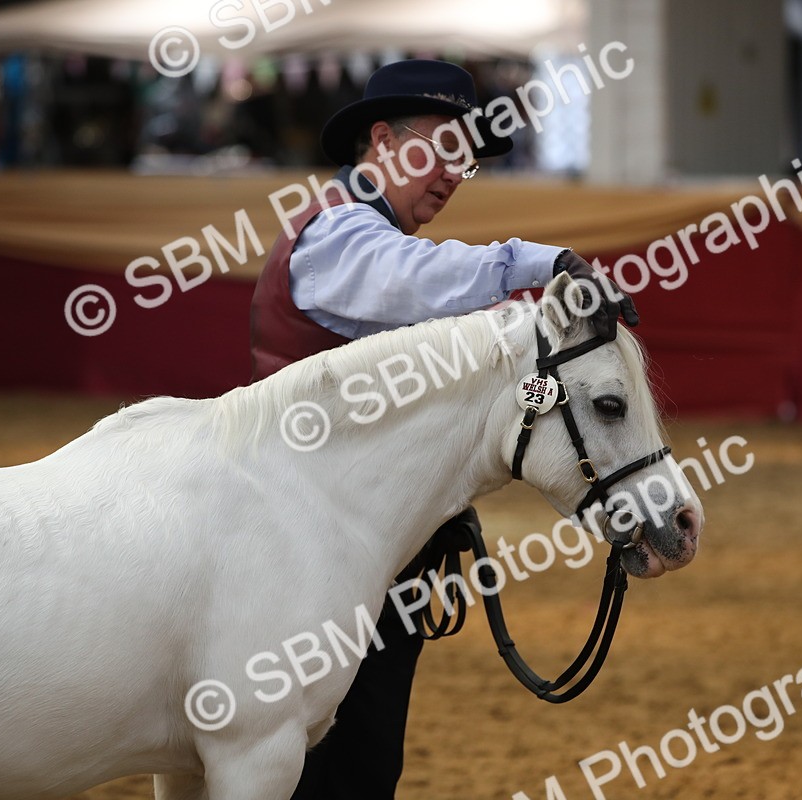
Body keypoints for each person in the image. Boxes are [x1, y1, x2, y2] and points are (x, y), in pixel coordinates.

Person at [248, 59, 637, 799]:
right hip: (316, 555)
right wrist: (537, 260)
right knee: (340, 769)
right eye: (444, 149)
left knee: (356, 765)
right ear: (383, 140)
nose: (456, 173)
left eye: (467, 160)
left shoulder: (353, 228)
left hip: (348, 545)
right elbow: (416, 279)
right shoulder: (339, 234)